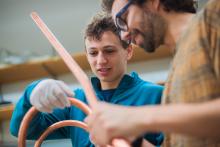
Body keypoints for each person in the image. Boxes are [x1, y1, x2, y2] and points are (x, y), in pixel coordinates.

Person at [10, 13, 165, 147]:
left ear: (129, 51)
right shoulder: (76, 102)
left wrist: (133, 141)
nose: (101, 60)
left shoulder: (157, 96)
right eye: (93, 53)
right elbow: (21, 130)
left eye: (109, 51)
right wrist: (33, 91)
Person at [85, 0, 220, 146]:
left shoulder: (213, 16)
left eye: (124, 18)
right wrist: (134, 140)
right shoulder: (174, 76)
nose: (123, 35)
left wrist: (136, 117)